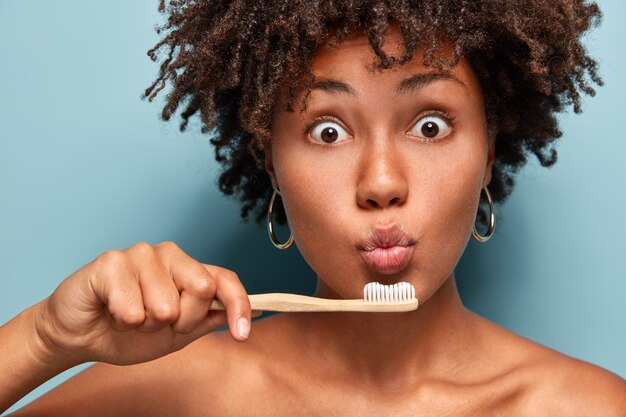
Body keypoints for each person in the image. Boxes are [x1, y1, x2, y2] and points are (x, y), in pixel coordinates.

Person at [1, 0, 625, 415]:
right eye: (328, 131)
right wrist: (42, 339)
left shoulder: (587, 407)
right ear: (271, 162)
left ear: (488, 150)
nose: (381, 183)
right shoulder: (178, 393)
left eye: (430, 126)